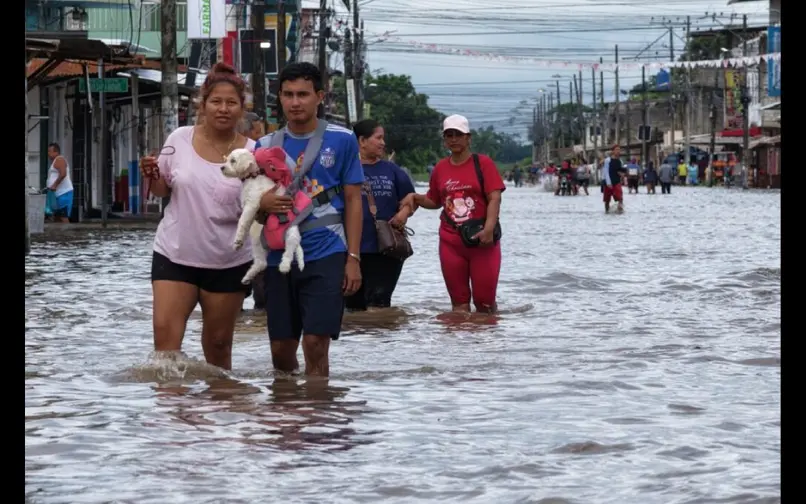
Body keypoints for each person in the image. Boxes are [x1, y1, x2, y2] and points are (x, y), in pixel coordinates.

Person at [139, 63, 254, 371]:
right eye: (216, 101)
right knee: (164, 353)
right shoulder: (179, 138)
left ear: (242, 108)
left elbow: (259, 206)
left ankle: (219, 402)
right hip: (174, 254)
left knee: (218, 347)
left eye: (231, 103)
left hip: (229, 260)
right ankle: (169, 403)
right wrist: (151, 175)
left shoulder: (254, 153)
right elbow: (162, 189)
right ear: (202, 105)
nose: (223, 109)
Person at [254, 62, 364, 377]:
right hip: (279, 257)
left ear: (320, 96)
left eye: (303, 94)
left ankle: (318, 403)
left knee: (315, 343)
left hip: (327, 250)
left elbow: (353, 200)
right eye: (288, 94)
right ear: (279, 97)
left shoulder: (343, 140)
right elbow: (253, 207)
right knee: (280, 350)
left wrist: (353, 258)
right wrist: (263, 203)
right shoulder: (264, 146)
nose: (295, 102)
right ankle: (289, 404)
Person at [400, 114, 505, 313]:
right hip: (451, 242)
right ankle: (458, 334)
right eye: (449, 135)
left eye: (458, 134)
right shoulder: (440, 168)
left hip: (482, 240)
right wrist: (415, 197)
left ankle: (488, 334)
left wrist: (489, 229)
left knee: (484, 304)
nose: (454, 139)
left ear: (468, 138)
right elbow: (434, 201)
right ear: (444, 139)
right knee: (459, 305)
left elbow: (494, 198)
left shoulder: (483, 163)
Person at [344, 119, 415, 311]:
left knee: (379, 305)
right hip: (350, 250)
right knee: (352, 307)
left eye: (383, 138)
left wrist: (403, 214)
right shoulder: (344, 168)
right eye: (378, 138)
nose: (383, 143)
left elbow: (411, 199)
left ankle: (381, 332)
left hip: (385, 249)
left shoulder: (392, 170)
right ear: (362, 141)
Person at [45, 143, 74, 223]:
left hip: (63, 193)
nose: (48, 153)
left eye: (49, 151)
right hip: (58, 194)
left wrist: (54, 185)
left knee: (63, 216)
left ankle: (67, 230)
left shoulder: (59, 159)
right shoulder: (55, 161)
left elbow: (63, 174)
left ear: (56, 152)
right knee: (57, 217)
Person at [602, 144, 627, 213]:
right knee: (607, 200)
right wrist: (608, 183)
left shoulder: (620, 161)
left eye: (619, 150)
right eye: (616, 150)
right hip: (608, 182)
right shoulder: (607, 160)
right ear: (613, 151)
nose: (618, 151)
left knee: (620, 198)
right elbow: (606, 172)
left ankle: (620, 211)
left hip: (617, 182)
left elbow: (620, 171)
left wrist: (622, 174)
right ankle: (607, 212)